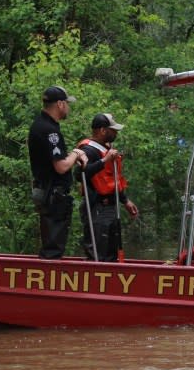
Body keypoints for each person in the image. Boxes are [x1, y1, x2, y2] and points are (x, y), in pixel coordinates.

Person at [28, 85, 87, 259]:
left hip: (46, 192)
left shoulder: (39, 125)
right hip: (54, 196)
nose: (68, 107)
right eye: (67, 103)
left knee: (50, 243)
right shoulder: (50, 131)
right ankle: (45, 283)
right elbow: (60, 166)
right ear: (60, 104)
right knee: (53, 248)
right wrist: (77, 153)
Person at [76, 112, 139, 261]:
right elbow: (79, 175)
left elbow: (113, 179)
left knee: (112, 252)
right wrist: (104, 160)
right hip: (96, 207)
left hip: (111, 205)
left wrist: (125, 201)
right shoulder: (88, 150)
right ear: (103, 130)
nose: (116, 132)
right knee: (98, 252)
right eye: (113, 130)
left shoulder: (106, 148)